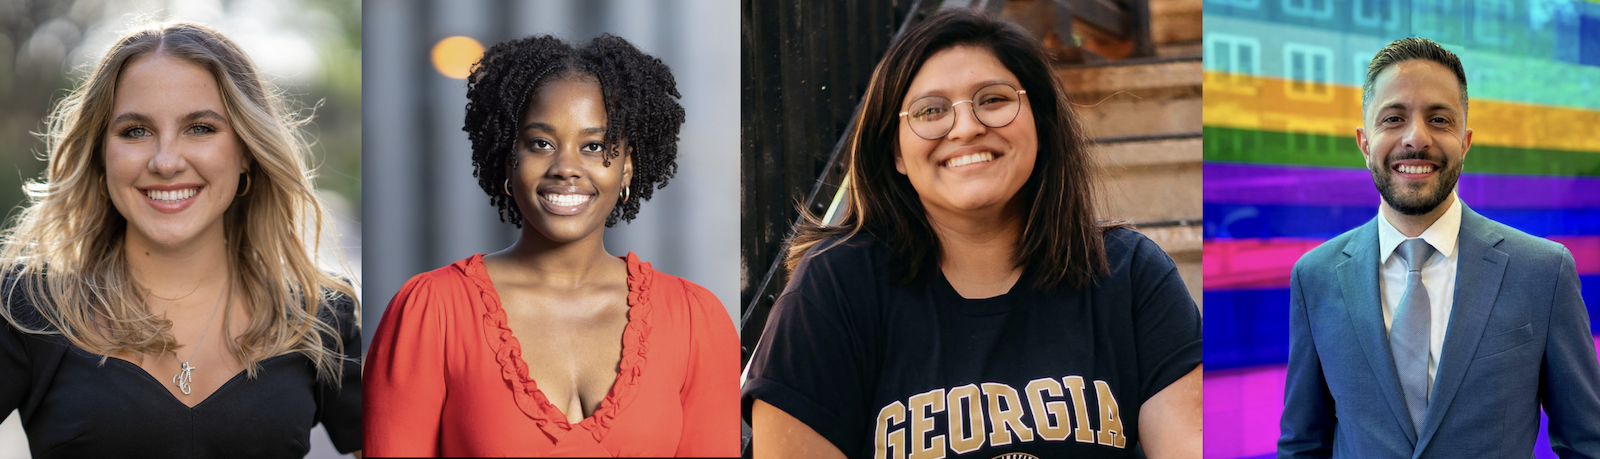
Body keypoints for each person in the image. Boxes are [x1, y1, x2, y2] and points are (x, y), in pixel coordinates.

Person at [742, 9, 1202, 459]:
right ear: (896, 152)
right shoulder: (834, 289)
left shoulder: (1131, 273)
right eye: (930, 110)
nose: (966, 128)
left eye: (994, 99)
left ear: (1039, 121)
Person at [362, 34, 739, 457]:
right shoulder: (431, 312)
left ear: (628, 167)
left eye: (594, 146)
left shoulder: (695, 321)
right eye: (541, 143)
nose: (566, 168)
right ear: (509, 160)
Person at [0, 22, 361, 458]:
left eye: (201, 128)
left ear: (246, 150)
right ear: (101, 154)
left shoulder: (318, 317)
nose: (166, 162)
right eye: (135, 131)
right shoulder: (30, 305)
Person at [1279, 37, 1600, 458]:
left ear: (1465, 142)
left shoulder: (1543, 272)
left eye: (1439, 120)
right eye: (1393, 118)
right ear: (1364, 143)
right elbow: (1303, 445)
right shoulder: (1314, 277)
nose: (1416, 138)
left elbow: (1587, 444)